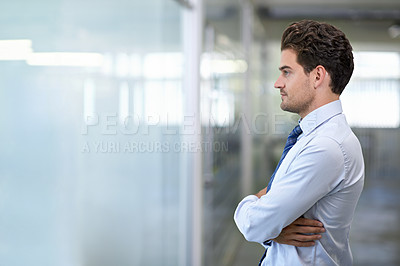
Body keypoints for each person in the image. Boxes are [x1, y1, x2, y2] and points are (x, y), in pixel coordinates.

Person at [234, 20, 364, 266]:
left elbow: (255, 223)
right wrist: (274, 227)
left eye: (286, 72)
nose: (277, 83)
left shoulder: (326, 146)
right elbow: (267, 221)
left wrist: (255, 205)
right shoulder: (312, 136)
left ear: (317, 76)